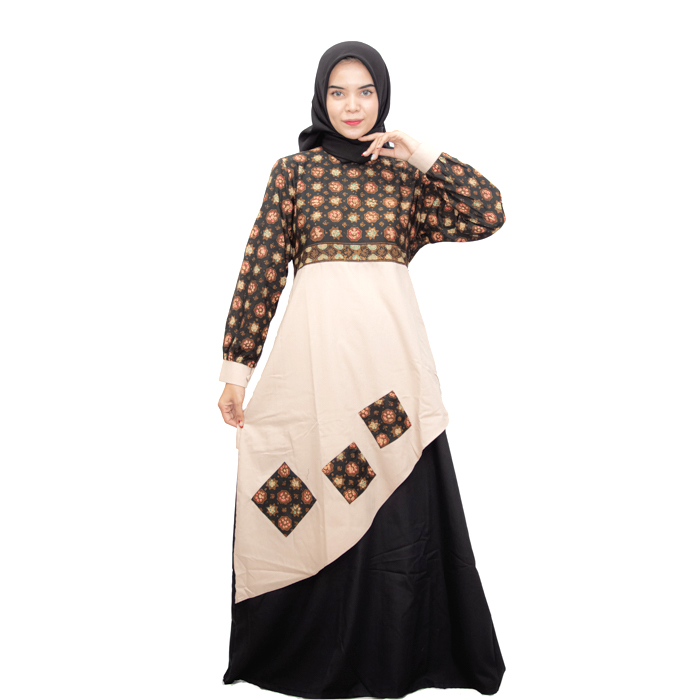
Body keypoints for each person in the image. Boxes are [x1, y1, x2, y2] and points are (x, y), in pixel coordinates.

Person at [218, 40, 507, 698]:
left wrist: (422, 154)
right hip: (314, 373)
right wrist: (236, 369)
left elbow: (488, 212)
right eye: (339, 92)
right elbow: (261, 269)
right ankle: (306, 653)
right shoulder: (293, 174)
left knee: (395, 514)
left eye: (366, 91)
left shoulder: (405, 177)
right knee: (304, 495)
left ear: (383, 97)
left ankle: (396, 656)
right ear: (321, 98)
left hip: (390, 383)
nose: (352, 105)